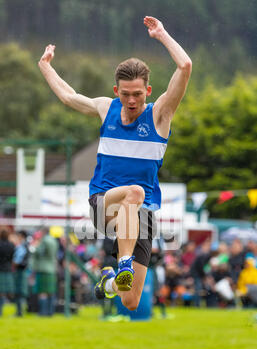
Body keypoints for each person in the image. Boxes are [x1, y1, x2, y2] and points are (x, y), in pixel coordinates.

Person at [38, 16, 192, 311]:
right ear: (115, 92)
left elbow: (185, 66)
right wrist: (46, 66)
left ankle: (109, 281)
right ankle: (123, 264)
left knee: (130, 301)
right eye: (125, 95)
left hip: (142, 217)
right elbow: (69, 97)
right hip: (104, 203)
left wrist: (162, 35)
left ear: (148, 92)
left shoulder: (159, 115)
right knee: (134, 192)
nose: (131, 101)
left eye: (137, 94)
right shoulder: (105, 109)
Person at [31, 227, 58, 316]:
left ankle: (43, 312)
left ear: (43, 232)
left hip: (43, 268)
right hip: (52, 268)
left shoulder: (44, 241)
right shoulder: (54, 241)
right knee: (50, 292)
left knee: (42, 292)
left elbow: (38, 252)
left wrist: (35, 246)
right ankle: (50, 312)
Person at [12, 230, 29, 317]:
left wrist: (13, 263)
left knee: (19, 291)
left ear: (22, 236)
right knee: (20, 291)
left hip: (20, 270)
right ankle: (19, 311)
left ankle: (19, 312)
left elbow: (18, 260)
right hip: (22, 270)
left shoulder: (22, 246)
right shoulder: (25, 245)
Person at [0, 229, 15, 316]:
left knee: (0, 292)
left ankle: (0, 311)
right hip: (8, 269)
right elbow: (12, 257)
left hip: (0, 269)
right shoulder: (11, 245)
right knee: (6, 292)